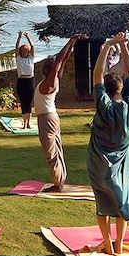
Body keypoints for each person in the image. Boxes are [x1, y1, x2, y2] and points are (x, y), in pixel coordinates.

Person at [87, 32, 129, 255]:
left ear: (107, 90)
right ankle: (119, 243)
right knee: (121, 203)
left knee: (102, 203)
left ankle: (109, 245)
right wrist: (123, 48)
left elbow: (97, 75)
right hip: (121, 167)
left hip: (99, 164)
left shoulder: (104, 106)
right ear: (121, 88)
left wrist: (108, 45)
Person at [34, 34, 85, 192]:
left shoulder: (49, 83)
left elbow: (58, 61)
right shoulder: (54, 80)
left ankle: (58, 184)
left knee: (51, 152)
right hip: (51, 117)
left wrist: (71, 40)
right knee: (56, 149)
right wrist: (73, 42)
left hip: (46, 119)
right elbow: (62, 61)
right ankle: (60, 181)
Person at [15, 31, 35, 129]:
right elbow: (16, 47)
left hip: (30, 81)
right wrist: (19, 37)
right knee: (23, 102)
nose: (24, 52)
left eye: (26, 50)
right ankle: (24, 123)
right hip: (21, 82)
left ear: (28, 51)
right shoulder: (18, 58)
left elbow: (33, 46)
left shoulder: (31, 58)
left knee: (29, 103)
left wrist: (28, 36)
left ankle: (29, 122)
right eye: (22, 50)